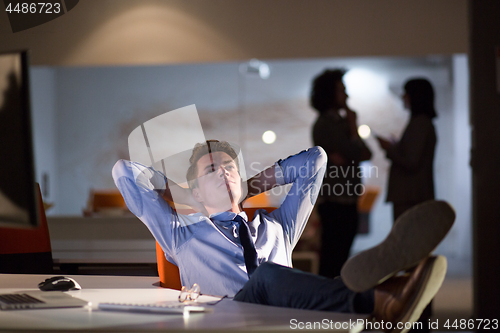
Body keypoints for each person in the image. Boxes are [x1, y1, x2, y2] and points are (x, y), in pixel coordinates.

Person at [112, 139, 454, 333]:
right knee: (268, 277)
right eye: (211, 170)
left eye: (230, 167)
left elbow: (315, 160)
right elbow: (124, 172)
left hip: (291, 321)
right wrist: (179, 192)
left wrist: (253, 186)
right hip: (227, 322)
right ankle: (377, 299)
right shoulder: (181, 234)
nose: (224, 173)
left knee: (282, 280)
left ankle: (386, 291)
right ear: (197, 192)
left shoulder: (277, 226)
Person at [376, 78, 438, 332]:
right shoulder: (422, 124)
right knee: (412, 259)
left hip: (411, 199)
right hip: (413, 197)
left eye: (406, 94)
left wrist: (391, 149)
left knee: (412, 260)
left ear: (415, 97)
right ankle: (417, 315)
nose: (403, 99)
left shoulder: (421, 124)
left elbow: (411, 162)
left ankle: (417, 317)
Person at [310, 69, 372, 278]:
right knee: (332, 259)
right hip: (334, 199)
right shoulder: (324, 125)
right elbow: (355, 152)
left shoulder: (343, 123)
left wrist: (353, 132)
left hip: (349, 197)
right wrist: (353, 140)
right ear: (330, 94)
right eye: (341, 90)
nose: (346, 95)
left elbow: (365, 153)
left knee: (342, 256)